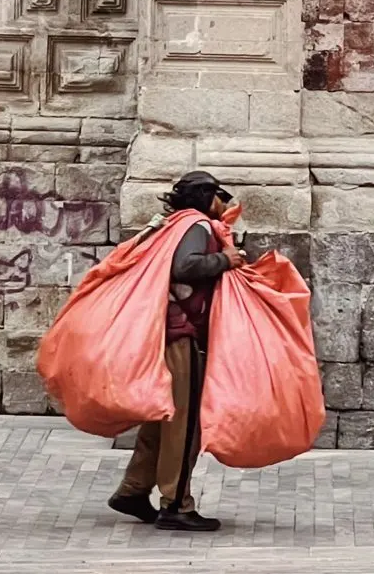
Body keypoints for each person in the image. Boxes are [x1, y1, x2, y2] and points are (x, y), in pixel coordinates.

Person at [108, 171, 244, 533]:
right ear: (207, 197)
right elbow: (185, 266)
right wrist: (226, 260)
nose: (225, 205)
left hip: (163, 330)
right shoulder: (197, 224)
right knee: (183, 424)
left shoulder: (174, 223)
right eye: (221, 197)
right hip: (180, 336)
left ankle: (133, 490)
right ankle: (176, 504)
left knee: (162, 417)